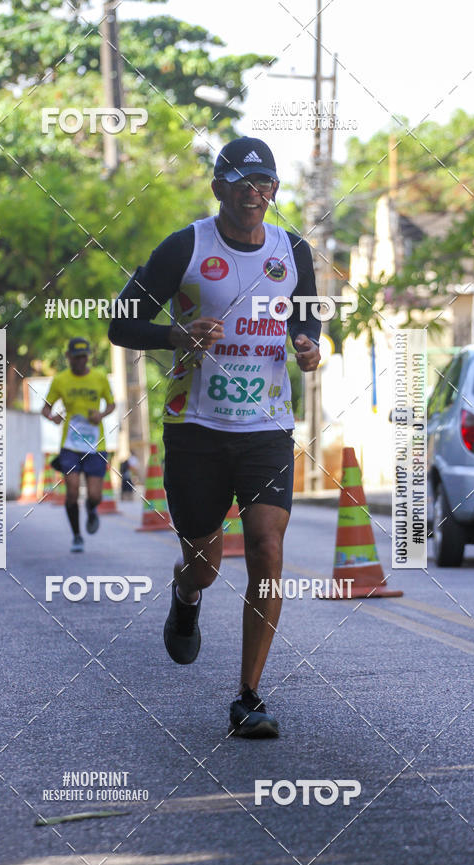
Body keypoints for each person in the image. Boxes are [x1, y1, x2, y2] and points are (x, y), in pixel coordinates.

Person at [109, 136, 321, 738]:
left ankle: (249, 695)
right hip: (196, 428)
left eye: (267, 186)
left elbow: (307, 314)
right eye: (245, 185)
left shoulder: (292, 250)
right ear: (219, 188)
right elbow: (121, 324)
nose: (257, 196)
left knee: (266, 549)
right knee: (204, 564)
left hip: (267, 428)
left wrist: (308, 344)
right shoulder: (186, 247)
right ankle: (186, 594)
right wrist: (175, 335)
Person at [41, 337, 115, 552]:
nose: (81, 361)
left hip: (95, 445)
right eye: (76, 357)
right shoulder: (60, 380)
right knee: (72, 490)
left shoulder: (100, 378)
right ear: (68, 357)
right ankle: (76, 536)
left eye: (84, 356)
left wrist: (100, 414)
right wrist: (52, 417)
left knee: (95, 495)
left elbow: (111, 404)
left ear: (88, 357)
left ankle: (92, 510)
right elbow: (45, 408)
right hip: (70, 445)